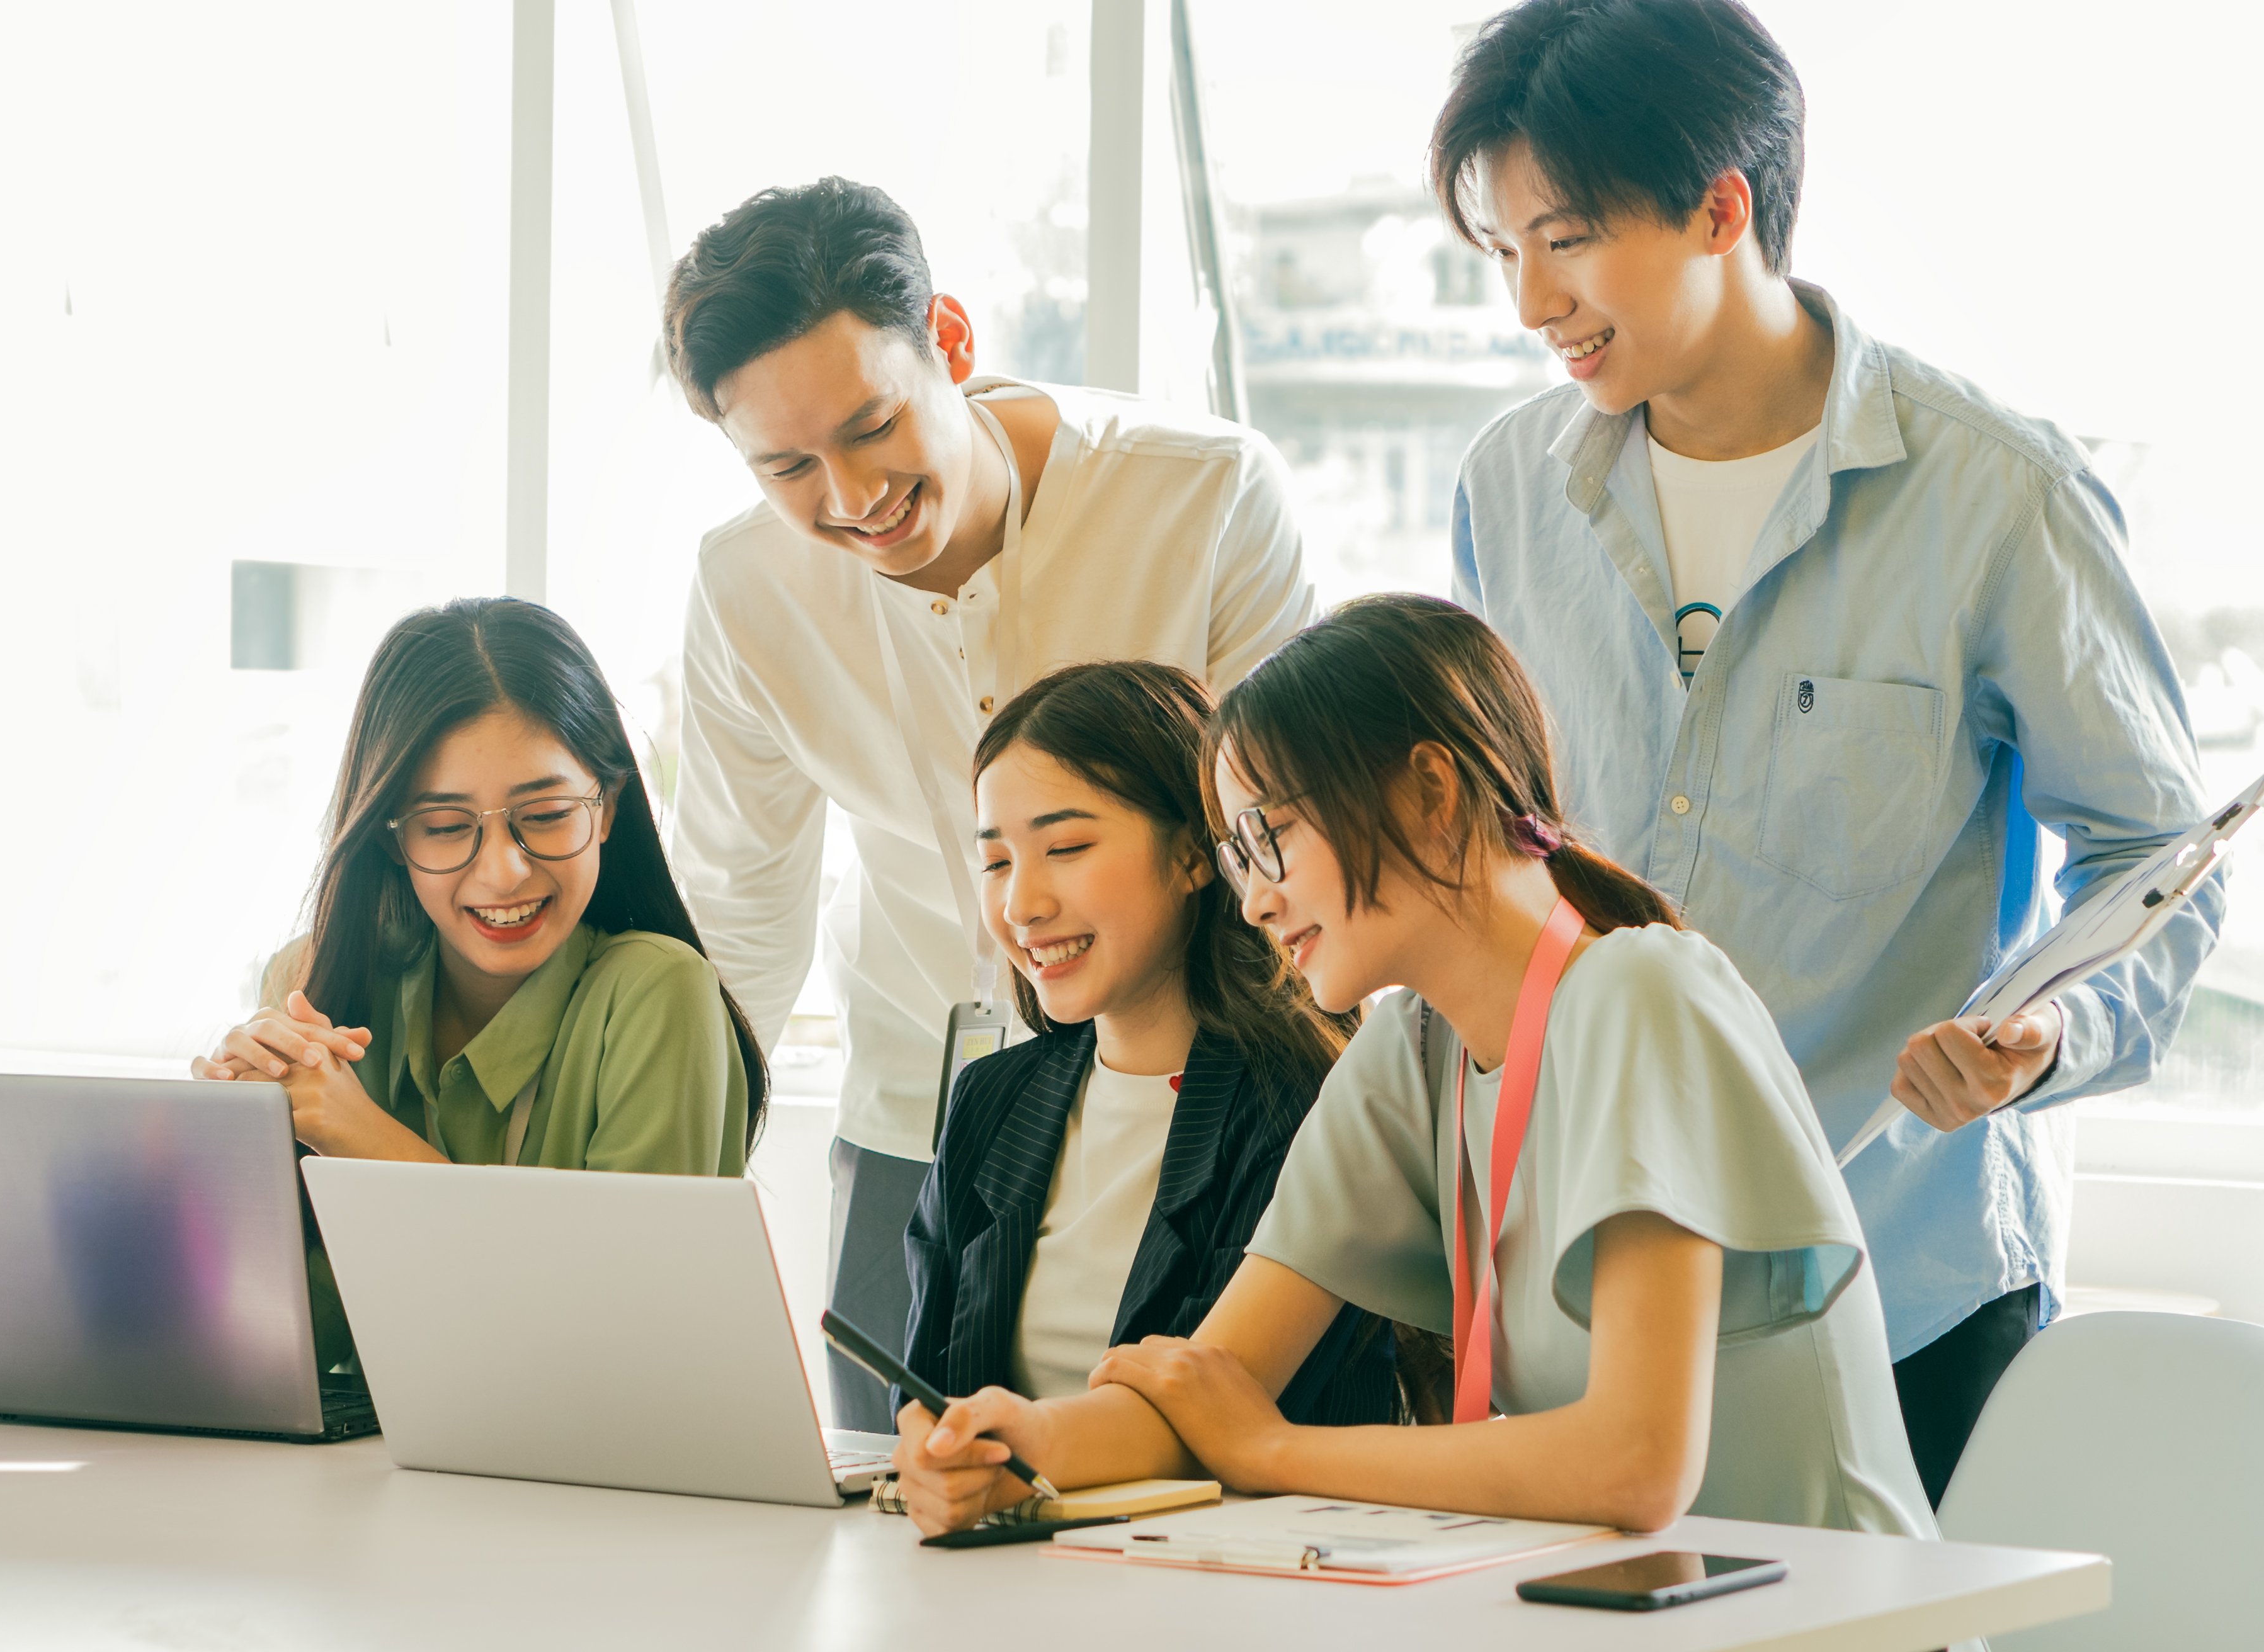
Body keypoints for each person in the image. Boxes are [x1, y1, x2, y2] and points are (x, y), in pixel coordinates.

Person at [1430, 0, 2219, 1502]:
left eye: (1569, 237)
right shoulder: (1506, 488)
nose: (1530, 299)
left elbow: (2159, 866)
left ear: (1721, 206)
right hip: (1585, 1268)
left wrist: (2039, 1029)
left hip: (1900, 1286)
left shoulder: (1999, 498)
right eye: (1503, 251)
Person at [891, 596, 1935, 1541]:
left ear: (1430, 788)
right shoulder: (1412, 1050)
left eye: (1272, 836)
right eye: (1239, 857)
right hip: (1621, 1612)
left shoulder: (1639, 990)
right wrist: (1016, 1440)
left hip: (1820, 1615)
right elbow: (1212, 1384)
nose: (1252, 899)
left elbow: (1635, 1465)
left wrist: (1269, 1449)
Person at [663, 178, 1316, 1430]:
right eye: (788, 467)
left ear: (952, 340)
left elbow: (1290, 847)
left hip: (1206, 1117)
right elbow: (741, 913)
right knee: (903, 1513)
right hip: (918, 1112)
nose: (852, 497)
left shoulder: (1208, 495)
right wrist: (670, 1212)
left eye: (872, 426)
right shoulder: (743, 588)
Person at [195, 598, 766, 1362]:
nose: (504, 870)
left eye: (547, 813)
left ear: (608, 808)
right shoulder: (309, 980)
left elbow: (612, 1336)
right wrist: (217, 1158)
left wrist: (355, 1130)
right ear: (392, 839)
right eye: (445, 826)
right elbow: (291, 1336)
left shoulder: (660, 992)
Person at [900, 661, 1392, 1428]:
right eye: (996, 862)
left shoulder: (1302, 1101)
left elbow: (1231, 1420)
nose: (1021, 905)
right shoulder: (991, 1098)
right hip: (1004, 1541)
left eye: (1065, 847)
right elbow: (923, 1392)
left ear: (1196, 854)